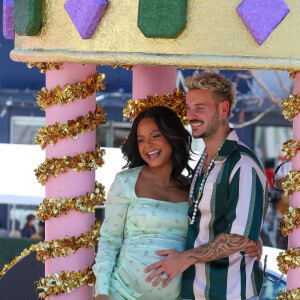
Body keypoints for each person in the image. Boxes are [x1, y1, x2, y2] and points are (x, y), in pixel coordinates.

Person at [144, 72, 268, 300]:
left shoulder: (242, 164)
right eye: (189, 108)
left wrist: (185, 258)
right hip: (194, 291)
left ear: (223, 110)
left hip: (230, 294)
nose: (191, 116)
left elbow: (239, 237)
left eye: (199, 108)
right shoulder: (205, 159)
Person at [93, 106, 193, 300]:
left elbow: (208, 235)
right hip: (121, 294)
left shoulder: (192, 188)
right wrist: (102, 293)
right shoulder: (125, 182)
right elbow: (109, 240)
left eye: (155, 136)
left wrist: (251, 239)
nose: (148, 145)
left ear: (172, 136)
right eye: (141, 140)